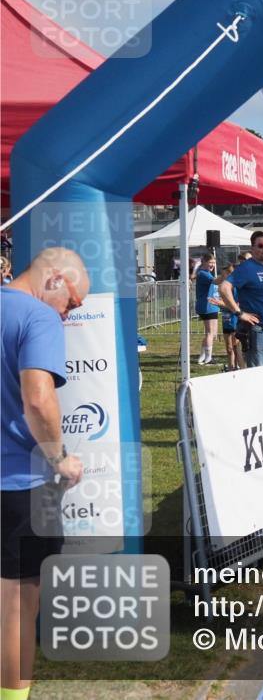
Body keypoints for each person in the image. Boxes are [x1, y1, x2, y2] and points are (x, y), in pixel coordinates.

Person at [2, 247, 87, 700]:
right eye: (72, 303)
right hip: (20, 485)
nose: (70, 314)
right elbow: (38, 398)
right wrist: (59, 458)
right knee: (17, 606)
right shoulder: (38, 317)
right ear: (55, 278)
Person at [219, 231, 263, 368]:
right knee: (258, 376)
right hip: (260, 330)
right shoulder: (247, 267)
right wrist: (239, 313)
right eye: (260, 245)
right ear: (252, 249)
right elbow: (224, 288)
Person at [192, 253, 219, 365]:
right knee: (210, 333)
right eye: (210, 262)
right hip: (207, 306)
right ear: (204, 262)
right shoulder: (203, 274)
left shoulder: (205, 273)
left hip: (211, 306)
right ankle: (208, 359)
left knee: (211, 333)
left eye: (213, 263)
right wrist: (228, 276)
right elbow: (216, 281)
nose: (212, 265)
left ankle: (202, 357)